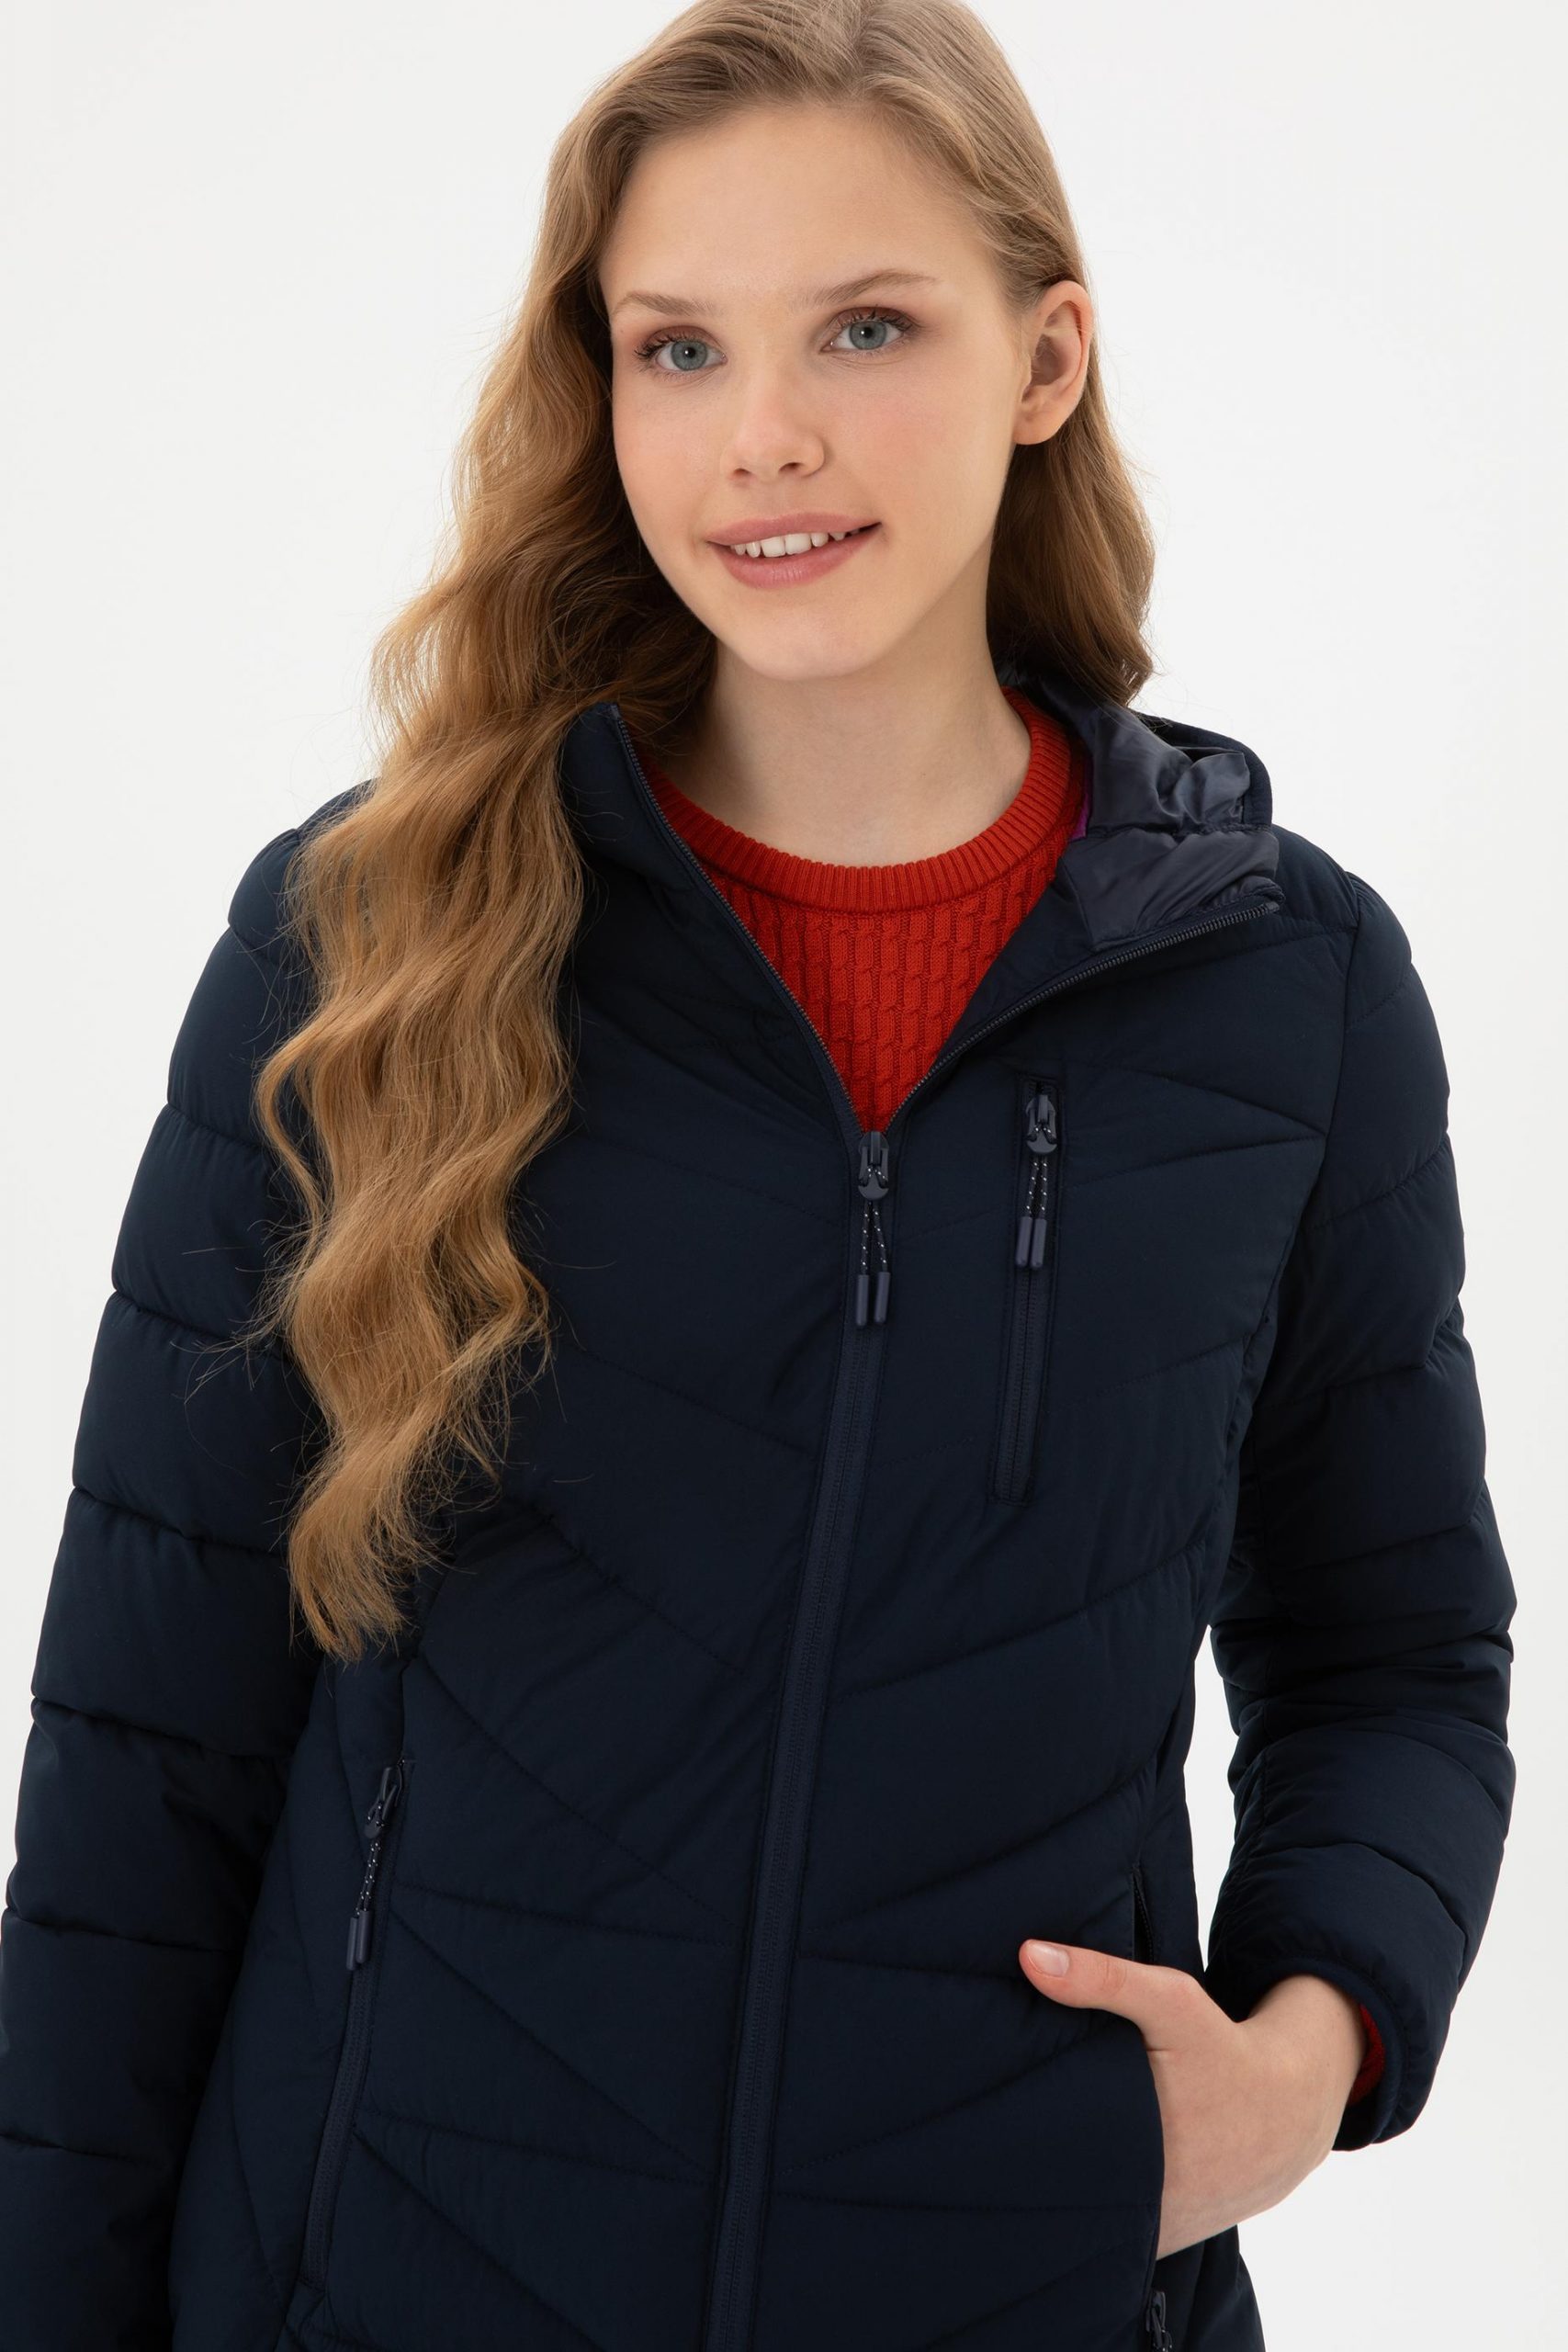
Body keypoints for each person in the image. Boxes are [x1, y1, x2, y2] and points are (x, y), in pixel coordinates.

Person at [0, 2, 1517, 2347]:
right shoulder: (371, 945)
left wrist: (1303, 2057)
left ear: (1043, 359)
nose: (762, 437)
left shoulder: (1278, 987)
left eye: (865, 328)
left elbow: (1392, 1650)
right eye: (678, 347)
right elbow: (142, 1770)